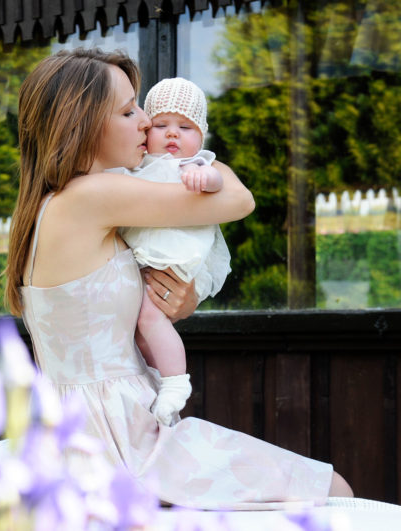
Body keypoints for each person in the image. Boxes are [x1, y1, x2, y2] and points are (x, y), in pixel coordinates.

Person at [4, 47, 352, 508]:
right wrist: (203, 159)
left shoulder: (57, 202)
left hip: (82, 425)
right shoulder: (95, 194)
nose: (147, 122)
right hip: (115, 439)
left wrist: (174, 300)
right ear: (82, 124)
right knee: (333, 489)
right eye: (129, 111)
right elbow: (239, 201)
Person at [108, 77, 232, 426]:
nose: (173, 133)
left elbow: (218, 182)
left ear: (201, 136)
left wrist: (205, 180)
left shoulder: (192, 166)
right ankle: (158, 377)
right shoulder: (139, 166)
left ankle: (176, 382)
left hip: (174, 257)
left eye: (185, 127)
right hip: (145, 258)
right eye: (161, 125)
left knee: (150, 319)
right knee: (141, 330)